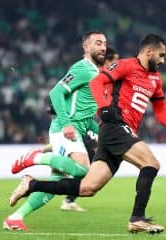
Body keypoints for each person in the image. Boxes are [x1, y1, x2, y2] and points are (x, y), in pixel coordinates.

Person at [8, 34, 166, 234]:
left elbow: (160, 106)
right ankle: (137, 218)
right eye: (161, 55)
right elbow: (96, 83)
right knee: (151, 163)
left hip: (118, 132)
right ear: (149, 51)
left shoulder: (155, 78)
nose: (163, 60)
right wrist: (104, 108)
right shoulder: (125, 66)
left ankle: (32, 184)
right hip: (116, 126)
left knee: (87, 188)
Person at [3, 31, 107, 230]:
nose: (102, 47)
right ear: (86, 47)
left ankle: (15, 218)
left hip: (75, 128)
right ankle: (35, 157)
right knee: (84, 170)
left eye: (104, 43)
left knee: (55, 184)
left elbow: (86, 112)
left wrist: (102, 131)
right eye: (97, 43)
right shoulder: (82, 68)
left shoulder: (95, 73)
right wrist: (67, 123)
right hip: (65, 129)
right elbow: (56, 92)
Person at [44, 46, 120, 212]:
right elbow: (61, 93)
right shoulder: (88, 73)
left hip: (85, 125)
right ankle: (41, 158)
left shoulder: (103, 81)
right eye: (114, 61)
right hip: (74, 127)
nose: (117, 65)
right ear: (104, 61)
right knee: (86, 166)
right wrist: (59, 113)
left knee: (61, 176)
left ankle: (65, 197)